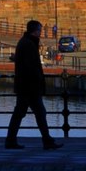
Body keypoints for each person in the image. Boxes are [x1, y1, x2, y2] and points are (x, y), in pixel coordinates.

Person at [5, 20, 63, 150]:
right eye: (39, 31)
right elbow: (31, 67)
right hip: (29, 86)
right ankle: (46, 141)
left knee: (21, 113)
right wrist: (38, 82)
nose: (41, 33)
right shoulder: (29, 44)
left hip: (24, 85)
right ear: (35, 31)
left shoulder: (25, 42)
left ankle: (11, 140)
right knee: (39, 113)